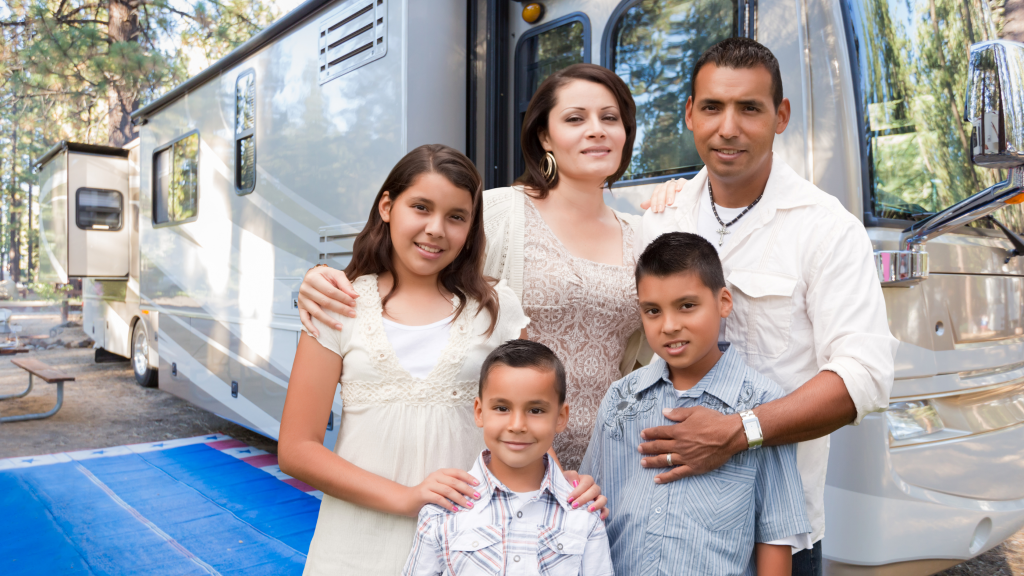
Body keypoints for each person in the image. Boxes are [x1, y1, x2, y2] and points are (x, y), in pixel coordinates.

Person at [296, 63, 651, 472]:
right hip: (502, 460)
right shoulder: (500, 211)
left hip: (609, 459)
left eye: (610, 118)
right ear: (544, 136)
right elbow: (417, 270)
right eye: (575, 118)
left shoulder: (643, 235)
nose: (597, 130)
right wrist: (322, 278)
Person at [635, 38, 898, 575]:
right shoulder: (659, 221)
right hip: (664, 527)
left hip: (776, 537)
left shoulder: (826, 229)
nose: (727, 127)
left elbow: (864, 377)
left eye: (749, 108)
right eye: (711, 107)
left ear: (780, 116)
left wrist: (740, 431)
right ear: (689, 114)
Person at [278, 145, 603, 576]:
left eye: (456, 217)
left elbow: (527, 415)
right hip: (355, 547)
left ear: (471, 228)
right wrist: (407, 496)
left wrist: (568, 490)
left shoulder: (496, 309)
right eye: (421, 207)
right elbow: (296, 449)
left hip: (470, 546)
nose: (436, 229)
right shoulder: (339, 303)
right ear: (388, 206)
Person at [581, 232, 811, 576]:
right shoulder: (621, 400)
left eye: (687, 306)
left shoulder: (763, 406)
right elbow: (589, 513)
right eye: (653, 311)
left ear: (724, 302)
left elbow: (775, 537)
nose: (670, 326)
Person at [403, 340, 613, 576]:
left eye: (535, 410)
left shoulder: (583, 514)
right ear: (480, 412)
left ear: (561, 417)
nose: (517, 425)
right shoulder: (442, 512)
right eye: (502, 408)